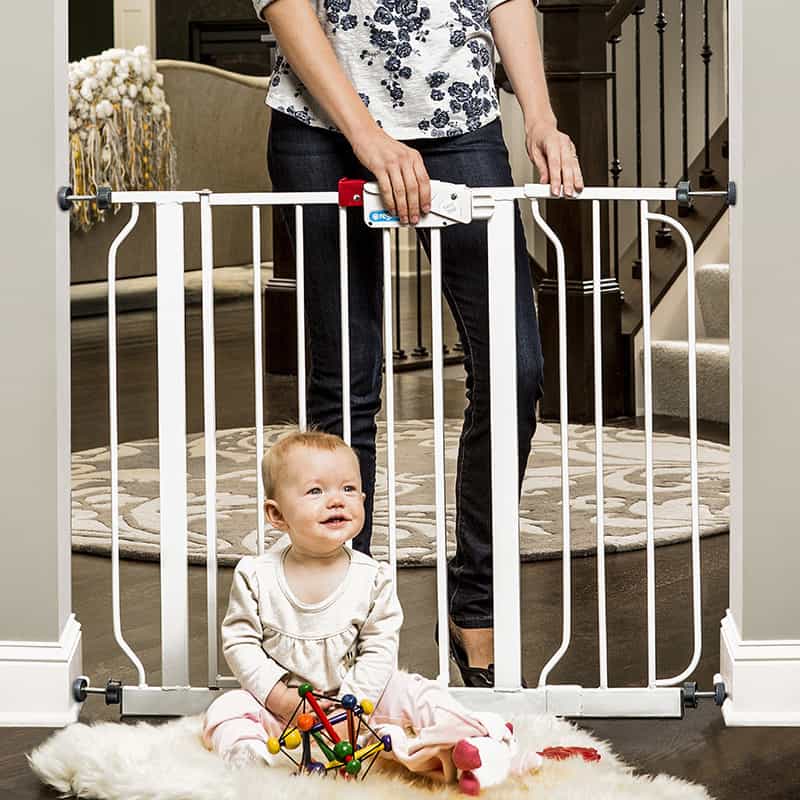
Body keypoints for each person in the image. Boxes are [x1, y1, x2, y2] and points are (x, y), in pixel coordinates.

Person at [255, 0, 583, 686]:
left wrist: (542, 117)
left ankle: (476, 605)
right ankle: (346, 618)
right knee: (345, 380)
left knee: (515, 368)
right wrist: (370, 138)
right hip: (322, 122)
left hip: (460, 117)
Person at [202, 431, 542, 793]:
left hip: (362, 698)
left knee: (418, 693)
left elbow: (379, 648)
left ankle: (477, 740)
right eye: (316, 491)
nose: (336, 501)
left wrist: (354, 708)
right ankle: (247, 753)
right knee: (227, 709)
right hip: (287, 705)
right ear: (276, 513)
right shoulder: (256, 575)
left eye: (348, 489)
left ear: (363, 500)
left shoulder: (372, 578)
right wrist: (278, 698)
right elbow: (240, 644)